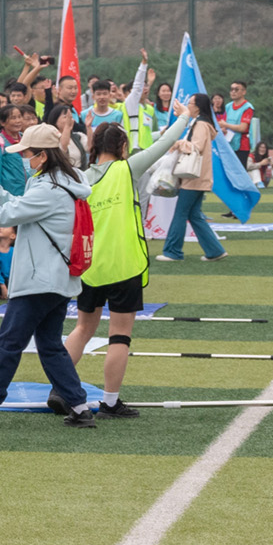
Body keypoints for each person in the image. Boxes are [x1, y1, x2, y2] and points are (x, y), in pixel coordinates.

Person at [0, 124, 96, 428]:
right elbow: (18, 206)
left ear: (43, 156)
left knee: (10, 343)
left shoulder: (48, 187)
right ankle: (80, 406)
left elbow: (3, 217)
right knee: (49, 345)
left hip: (38, 280)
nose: (24, 158)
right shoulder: (63, 181)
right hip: (56, 279)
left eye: (28, 153)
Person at [64, 117, 184, 417]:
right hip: (124, 266)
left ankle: (61, 389)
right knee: (119, 336)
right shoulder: (127, 168)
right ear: (122, 146)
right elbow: (166, 142)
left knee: (82, 328)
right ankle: (110, 402)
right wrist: (184, 115)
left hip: (89, 267)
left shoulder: (81, 177)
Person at [157, 94, 229, 263]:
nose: (187, 105)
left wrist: (178, 143)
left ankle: (173, 251)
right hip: (199, 177)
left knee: (181, 213)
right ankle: (214, 250)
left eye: (190, 103)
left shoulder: (201, 124)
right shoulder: (202, 123)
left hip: (193, 177)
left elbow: (196, 147)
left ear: (197, 107)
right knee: (194, 215)